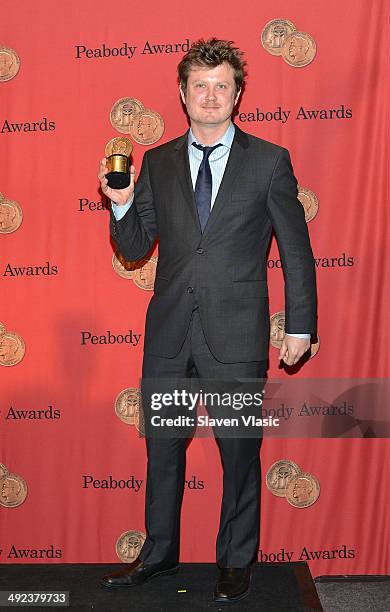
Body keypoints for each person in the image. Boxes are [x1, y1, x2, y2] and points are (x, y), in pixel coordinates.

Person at [98, 38, 317, 603]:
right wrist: (120, 203)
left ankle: (236, 561)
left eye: (222, 85)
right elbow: (135, 245)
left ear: (238, 93)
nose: (211, 95)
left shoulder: (269, 161)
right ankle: (160, 553)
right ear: (182, 93)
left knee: (239, 452)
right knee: (163, 449)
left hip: (237, 336)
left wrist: (300, 325)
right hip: (169, 335)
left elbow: (295, 250)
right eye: (201, 85)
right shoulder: (158, 160)